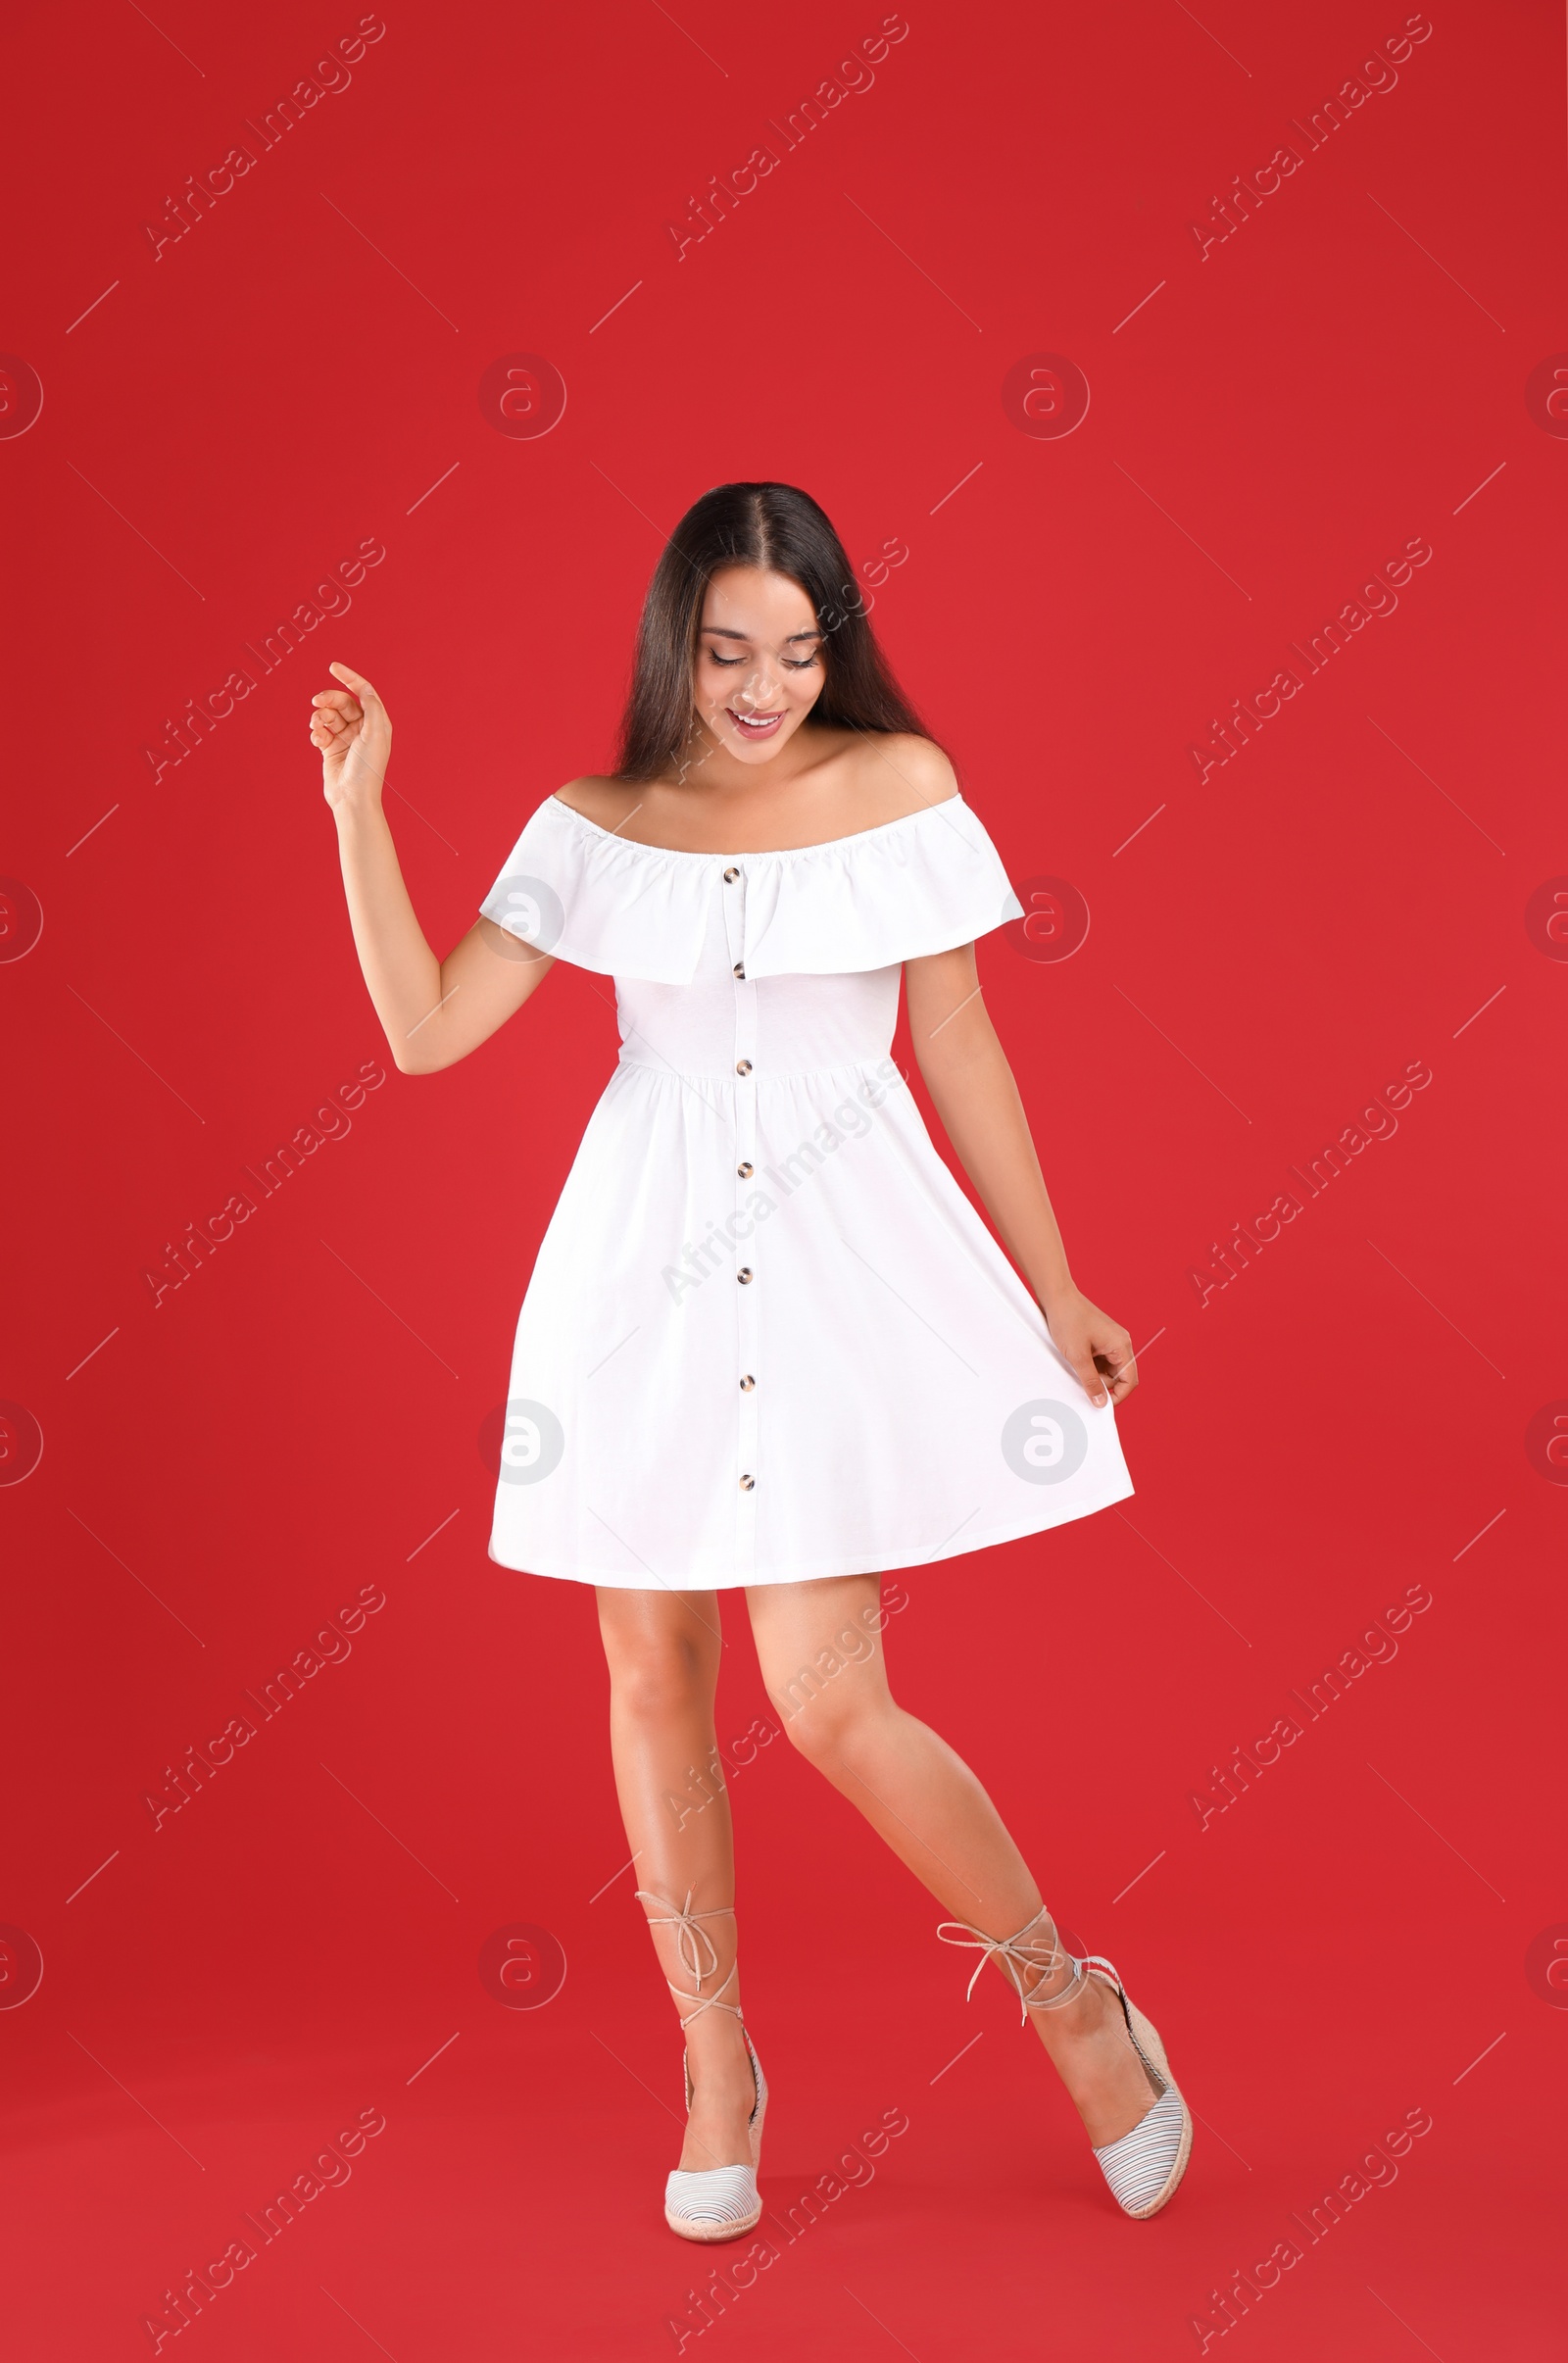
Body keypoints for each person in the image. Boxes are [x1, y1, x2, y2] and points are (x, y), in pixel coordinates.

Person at [312, 480, 1190, 2240]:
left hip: (825, 1265)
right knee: (652, 1683)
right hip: (636, 1278)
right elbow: (423, 1034)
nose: (765, 684)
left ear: (835, 647)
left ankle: (1068, 1998)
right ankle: (719, 2067)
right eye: (729, 650)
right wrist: (360, 813)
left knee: (828, 1701)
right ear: (675, 646)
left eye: (797, 649)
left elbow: (961, 1050)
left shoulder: (902, 791)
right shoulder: (600, 819)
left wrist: (1056, 1281)